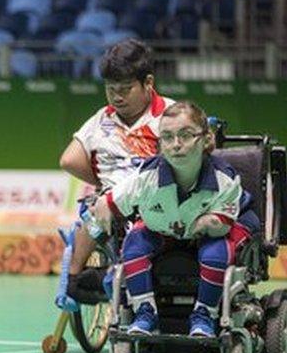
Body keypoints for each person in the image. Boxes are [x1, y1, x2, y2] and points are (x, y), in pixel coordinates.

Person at [89, 101, 259, 338]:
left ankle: (204, 315)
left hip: (223, 224)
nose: (176, 145)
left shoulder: (224, 180)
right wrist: (102, 211)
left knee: (215, 251)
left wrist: (206, 224)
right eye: (167, 137)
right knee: (133, 244)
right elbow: (108, 203)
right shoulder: (146, 177)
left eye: (186, 135)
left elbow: (219, 226)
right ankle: (144, 312)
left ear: (206, 139)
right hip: (169, 227)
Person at [58, 39, 174, 300]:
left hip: (157, 199)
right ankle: (75, 282)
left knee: (103, 212)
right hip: (112, 200)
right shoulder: (102, 118)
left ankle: (94, 278)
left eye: (126, 89)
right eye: (111, 89)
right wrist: (104, 182)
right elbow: (69, 160)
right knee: (93, 211)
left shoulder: (170, 114)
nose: (117, 97)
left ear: (148, 83)